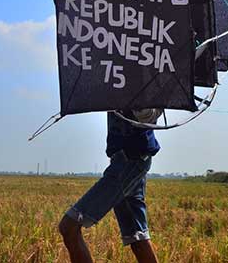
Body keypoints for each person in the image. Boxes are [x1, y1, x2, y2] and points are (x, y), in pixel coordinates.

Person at [58, 111, 161, 263]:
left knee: (69, 226)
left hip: (131, 160)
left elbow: (149, 116)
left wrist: (130, 99)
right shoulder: (116, 86)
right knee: (137, 238)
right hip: (122, 158)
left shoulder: (150, 87)